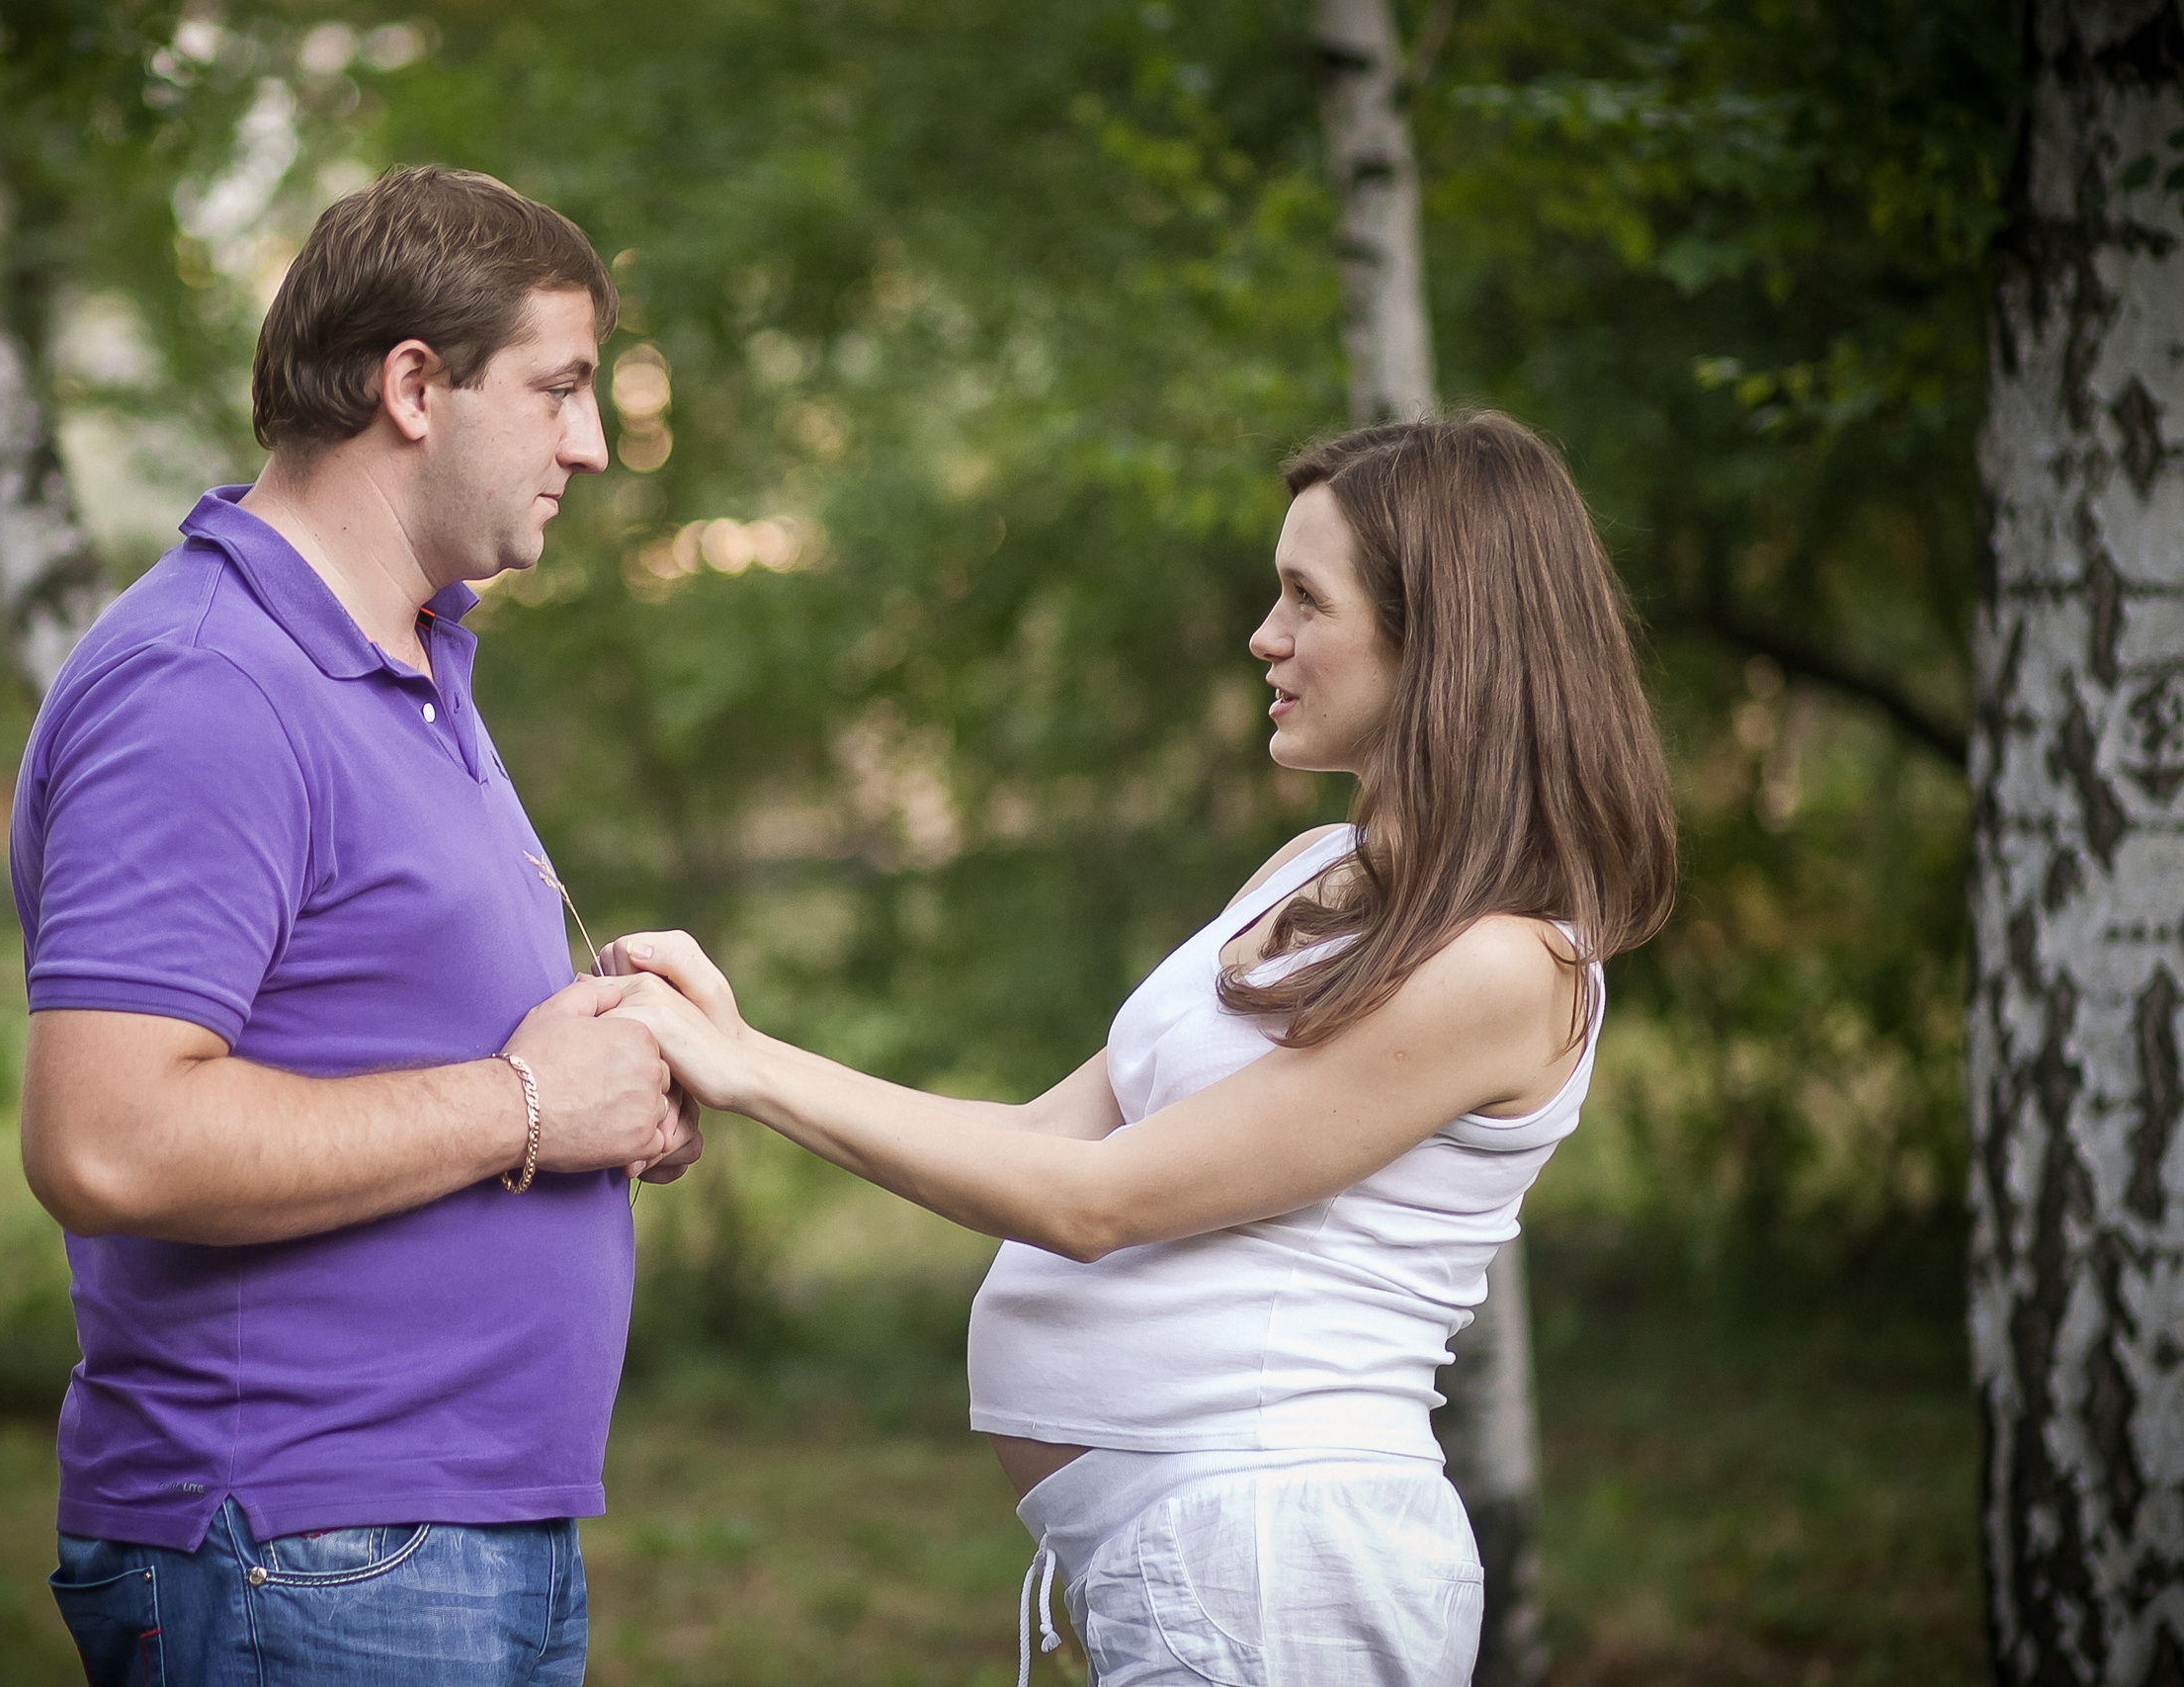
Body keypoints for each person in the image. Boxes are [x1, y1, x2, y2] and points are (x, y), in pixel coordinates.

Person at [598, 412, 1676, 1685]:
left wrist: (748, 1072)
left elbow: (1100, 1204)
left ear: (1439, 638)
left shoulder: (1506, 965)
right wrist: (741, 1044)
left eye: (1303, 600)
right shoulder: (1315, 873)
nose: (1264, 637)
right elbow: (1045, 1138)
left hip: (1283, 1561)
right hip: (1191, 1559)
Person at [10, 166, 700, 1687]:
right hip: (306, 1553)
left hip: (439, 1537)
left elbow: (371, 1023)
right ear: (412, 386)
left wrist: (621, 1045)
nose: (591, 444)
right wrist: (529, 1104)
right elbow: (107, 1143)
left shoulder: (407, 652)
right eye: (562, 388)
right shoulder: (209, 685)